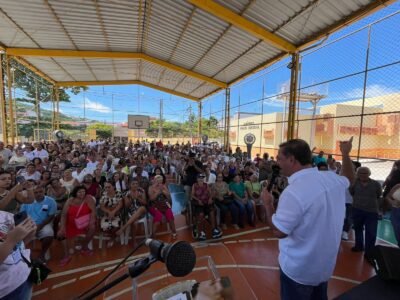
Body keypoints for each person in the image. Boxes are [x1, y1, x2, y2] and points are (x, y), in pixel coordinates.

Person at [261, 138, 354, 300]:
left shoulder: (293, 192)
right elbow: (349, 178)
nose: (277, 162)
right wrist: (346, 154)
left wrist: (268, 205)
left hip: (298, 271)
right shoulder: (331, 179)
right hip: (324, 268)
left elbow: (279, 232)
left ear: (292, 160)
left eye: (280, 158)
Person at [0, 211, 37, 299]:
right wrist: (11, 240)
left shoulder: (5, 215)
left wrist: (29, 232)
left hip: (24, 274)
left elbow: (19, 245)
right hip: (7, 289)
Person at [57, 186, 96, 266]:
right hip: (71, 224)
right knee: (61, 232)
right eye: (79, 192)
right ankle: (66, 254)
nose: (82, 193)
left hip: (84, 223)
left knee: (92, 228)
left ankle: (84, 247)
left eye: (83, 191)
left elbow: (93, 212)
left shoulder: (88, 199)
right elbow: (64, 215)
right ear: (75, 193)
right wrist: (62, 227)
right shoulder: (70, 200)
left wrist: (91, 222)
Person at [350, 167, 382, 257]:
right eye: (360, 173)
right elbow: (352, 192)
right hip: (357, 209)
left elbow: (379, 196)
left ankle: (369, 251)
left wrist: (380, 210)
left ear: (369, 174)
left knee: (371, 232)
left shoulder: (376, 184)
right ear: (357, 174)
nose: (363, 175)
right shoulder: (354, 183)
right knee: (358, 229)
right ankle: (359, 246)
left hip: (371, 211)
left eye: (365, 173)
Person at [20, 185, 57, 263]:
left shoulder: (51, 201)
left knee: (49, 234)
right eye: (35, 192)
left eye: (40, 192)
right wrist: (29, 225)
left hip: (43, 223)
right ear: (32, 193)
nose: (38, 194)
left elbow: (51, 216)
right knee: (20, 238)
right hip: (28, 224)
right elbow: (22, 215)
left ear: (44, 191)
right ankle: (26, 256)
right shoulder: (27, 201)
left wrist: (41, 225)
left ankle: (42, 254)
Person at [116, 179, 147, 246]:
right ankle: (134, 241)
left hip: (141, 210)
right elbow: (127, 205)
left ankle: (124, 227)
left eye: (136, 183)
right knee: (134, 223)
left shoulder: (141, 191)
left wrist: (138, 198)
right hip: (131, 211)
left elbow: (145, 203)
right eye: (133, 184)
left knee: (142, 208)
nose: (135, 185)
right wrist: (131, 198)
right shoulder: (126, 193)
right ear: (130, 185)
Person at [192, 174, 222, 240]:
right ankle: (202, 233)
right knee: (201, 214)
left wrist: (210, 198)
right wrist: (198, 200)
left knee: (212, 212)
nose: (201, 179)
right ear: (197, 179)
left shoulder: (206, 185)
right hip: (199, 204)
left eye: (202, 177)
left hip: (207, 203)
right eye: (199, 177)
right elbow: (192, 195)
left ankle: (214, 230)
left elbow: (210, 193)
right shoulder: (194, 185)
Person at [99, 182, 124, 248]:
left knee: (115, 226)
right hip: (106, 214)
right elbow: (102, 206)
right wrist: (109, 212)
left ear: (113, 187)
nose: (107, 188)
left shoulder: (118, 193)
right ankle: (112, 236)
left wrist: (113, 211)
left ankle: (112, 238)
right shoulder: (103, 194)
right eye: (106, 187)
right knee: (104, 227)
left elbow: (120, 204)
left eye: (109, 187)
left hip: (117, 213)